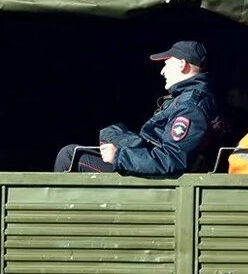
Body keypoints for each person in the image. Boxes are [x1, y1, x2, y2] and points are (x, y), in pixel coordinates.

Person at [54, 41, 221, 176]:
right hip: (148, 169)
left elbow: (173, 160)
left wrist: (119, 156)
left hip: (156, 182)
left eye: (166, 64)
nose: (162, 71)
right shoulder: (189, 99)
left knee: (70, 156)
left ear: (182, 65)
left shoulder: (190, 105)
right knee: (111, 133)